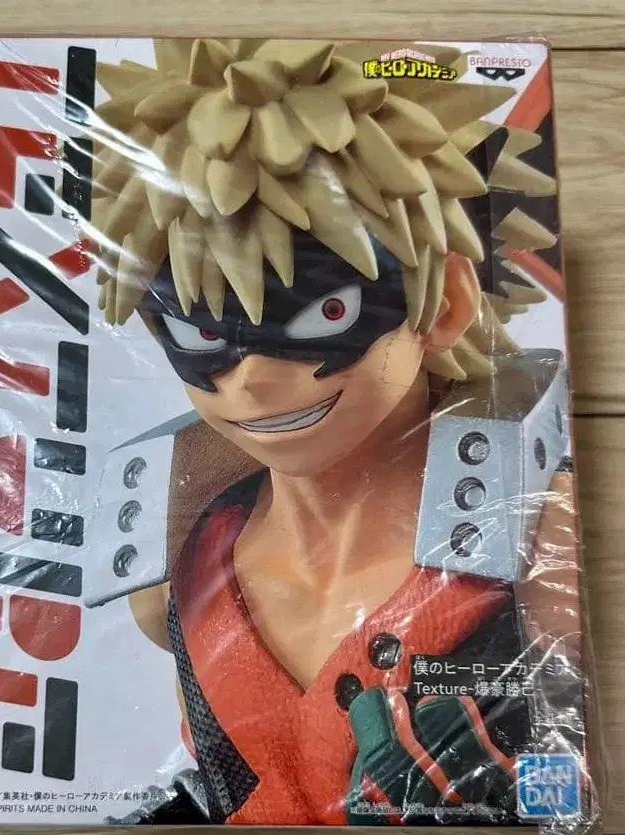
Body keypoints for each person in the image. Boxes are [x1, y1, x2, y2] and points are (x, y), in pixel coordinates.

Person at [91, 38, 581, 825]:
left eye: (323, 312)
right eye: (201, 333)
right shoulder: (176, 578)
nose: (252, 380)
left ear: (442, 306)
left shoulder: (540, 546)